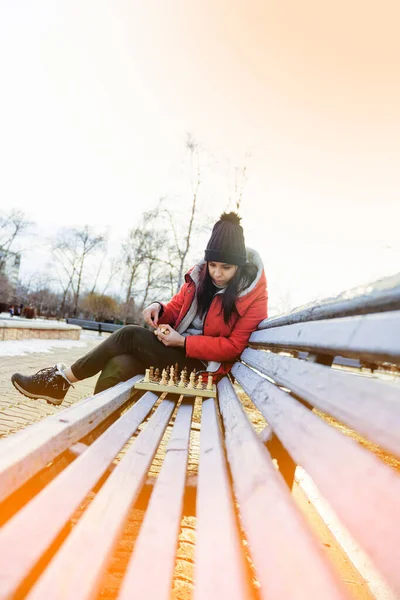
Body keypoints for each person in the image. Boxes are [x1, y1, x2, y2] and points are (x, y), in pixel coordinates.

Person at [11, 212, 268, 405]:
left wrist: (183, 344)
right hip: (176, 355)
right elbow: (177, 307)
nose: (217, 273)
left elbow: (234, 347)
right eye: (213, 265)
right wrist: (158, 309)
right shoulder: (200, 278)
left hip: (203, 369)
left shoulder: (252, 295)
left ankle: (61, 380)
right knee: (118, 364)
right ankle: (91, 434)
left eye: (226, 267)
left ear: (239, 266)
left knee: (129, 335)